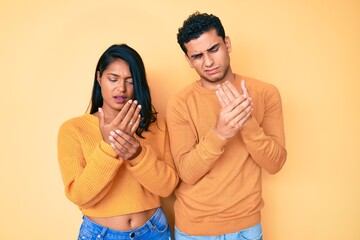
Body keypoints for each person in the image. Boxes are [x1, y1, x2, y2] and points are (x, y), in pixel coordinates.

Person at [166, 12, 287, 239]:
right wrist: (221, 132)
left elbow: (275, 163)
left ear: (227, 43)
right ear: (188, 60)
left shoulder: (265, 93)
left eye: (214, 49)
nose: (208, 62)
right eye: (198, 56)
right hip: (193, 230)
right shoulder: (180, 103)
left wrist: (246, 123)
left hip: (246, 227)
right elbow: (187, 173)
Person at [57, 44, 178, 240]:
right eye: (113, 79)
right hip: (100, 234)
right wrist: (108, 147)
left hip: (154, 231)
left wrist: (137, 155)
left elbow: (167, 187)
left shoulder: (156, 125)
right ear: (99, 78)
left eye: (130, 81)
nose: (121, 88)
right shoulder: (73, 129)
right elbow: (79, 196)